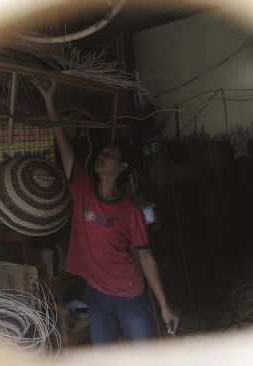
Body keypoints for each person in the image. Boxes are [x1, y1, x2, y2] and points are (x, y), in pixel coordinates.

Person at [32, 77, 179, 345]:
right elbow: (63, 144)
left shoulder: (129, 210)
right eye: (102, 152)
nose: (102, 155)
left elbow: (145, 258)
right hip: (96, 294)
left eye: (110, 153)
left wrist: (164, 306)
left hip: (129, 294)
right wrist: (49, 101)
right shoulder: (83, 189)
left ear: (122, 167)